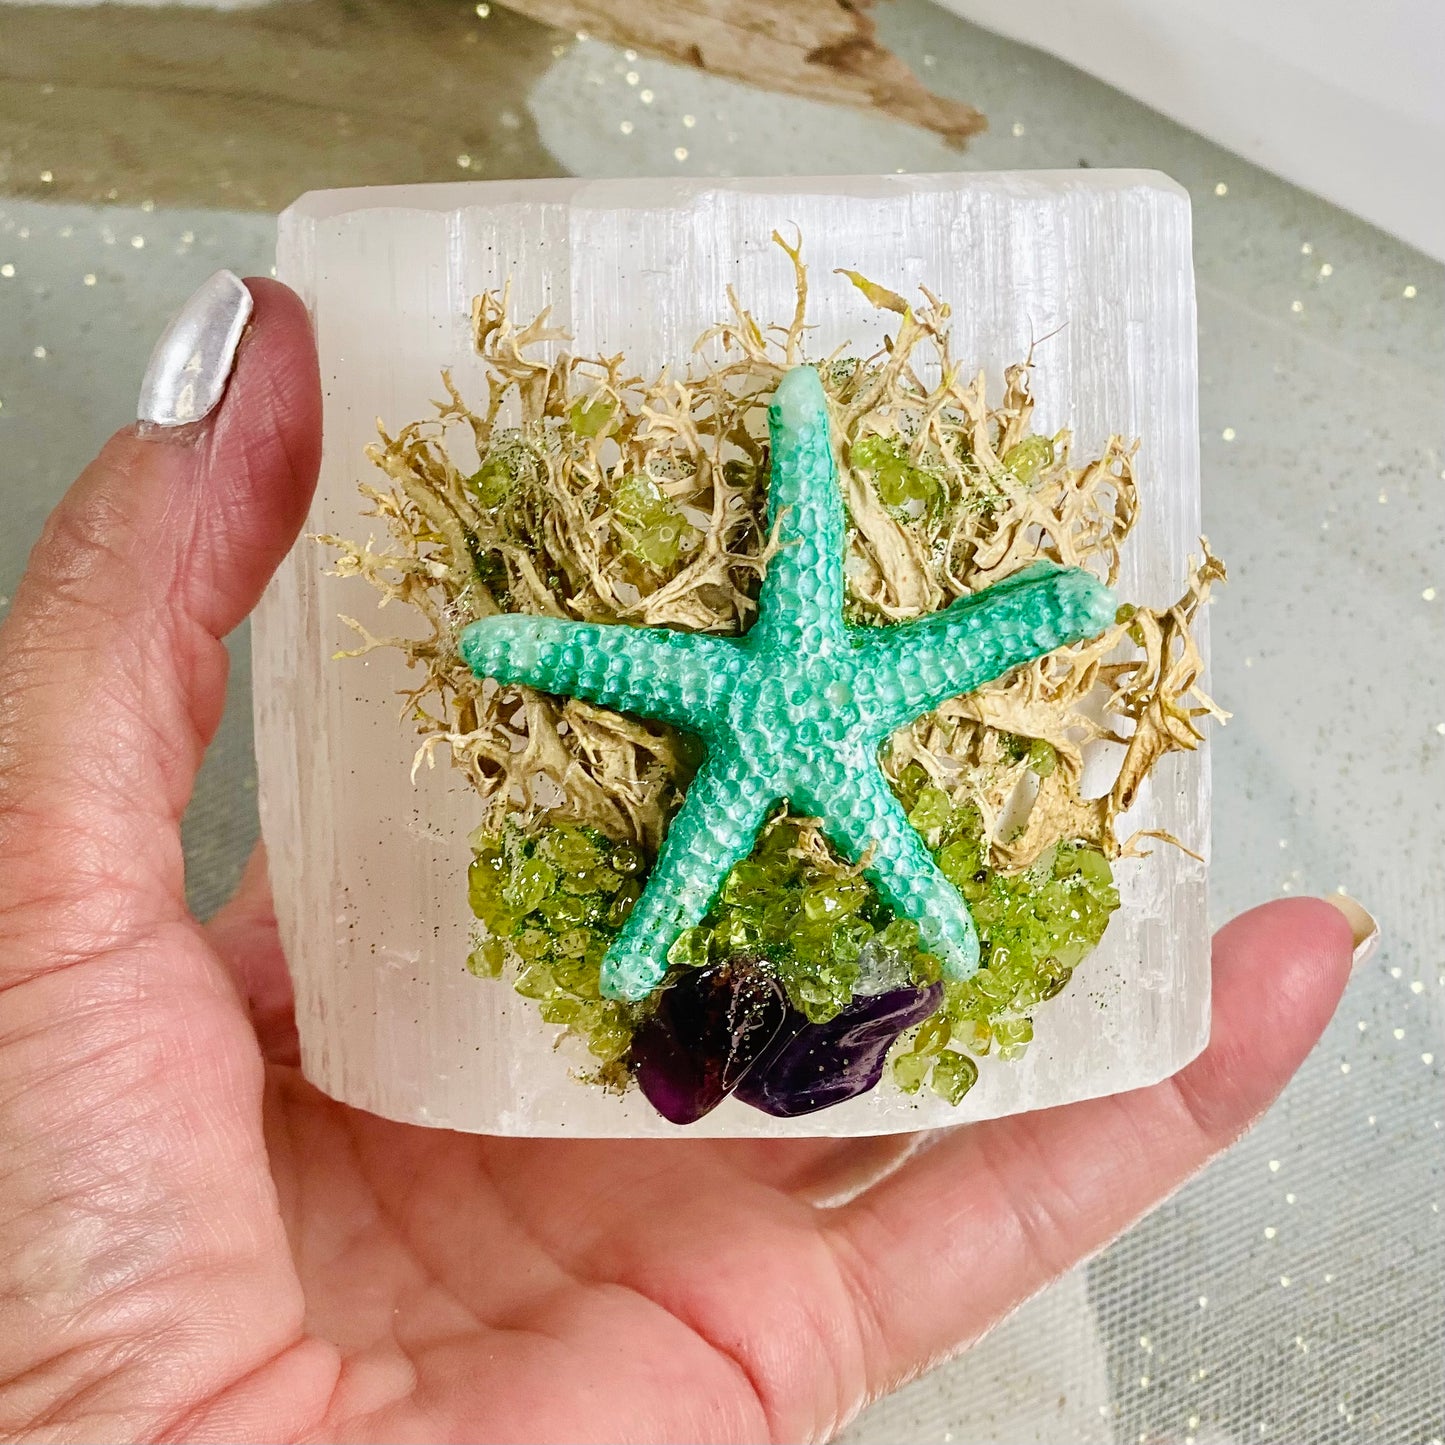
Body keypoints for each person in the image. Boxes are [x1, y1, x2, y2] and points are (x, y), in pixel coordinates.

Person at [0, 275, 1373, 1444]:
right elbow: (664, 664)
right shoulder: (811, 696)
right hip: (786, 721)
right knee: (795, 868)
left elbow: (906, 653)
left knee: (792, 867)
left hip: (798, 715)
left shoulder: (825, 694)